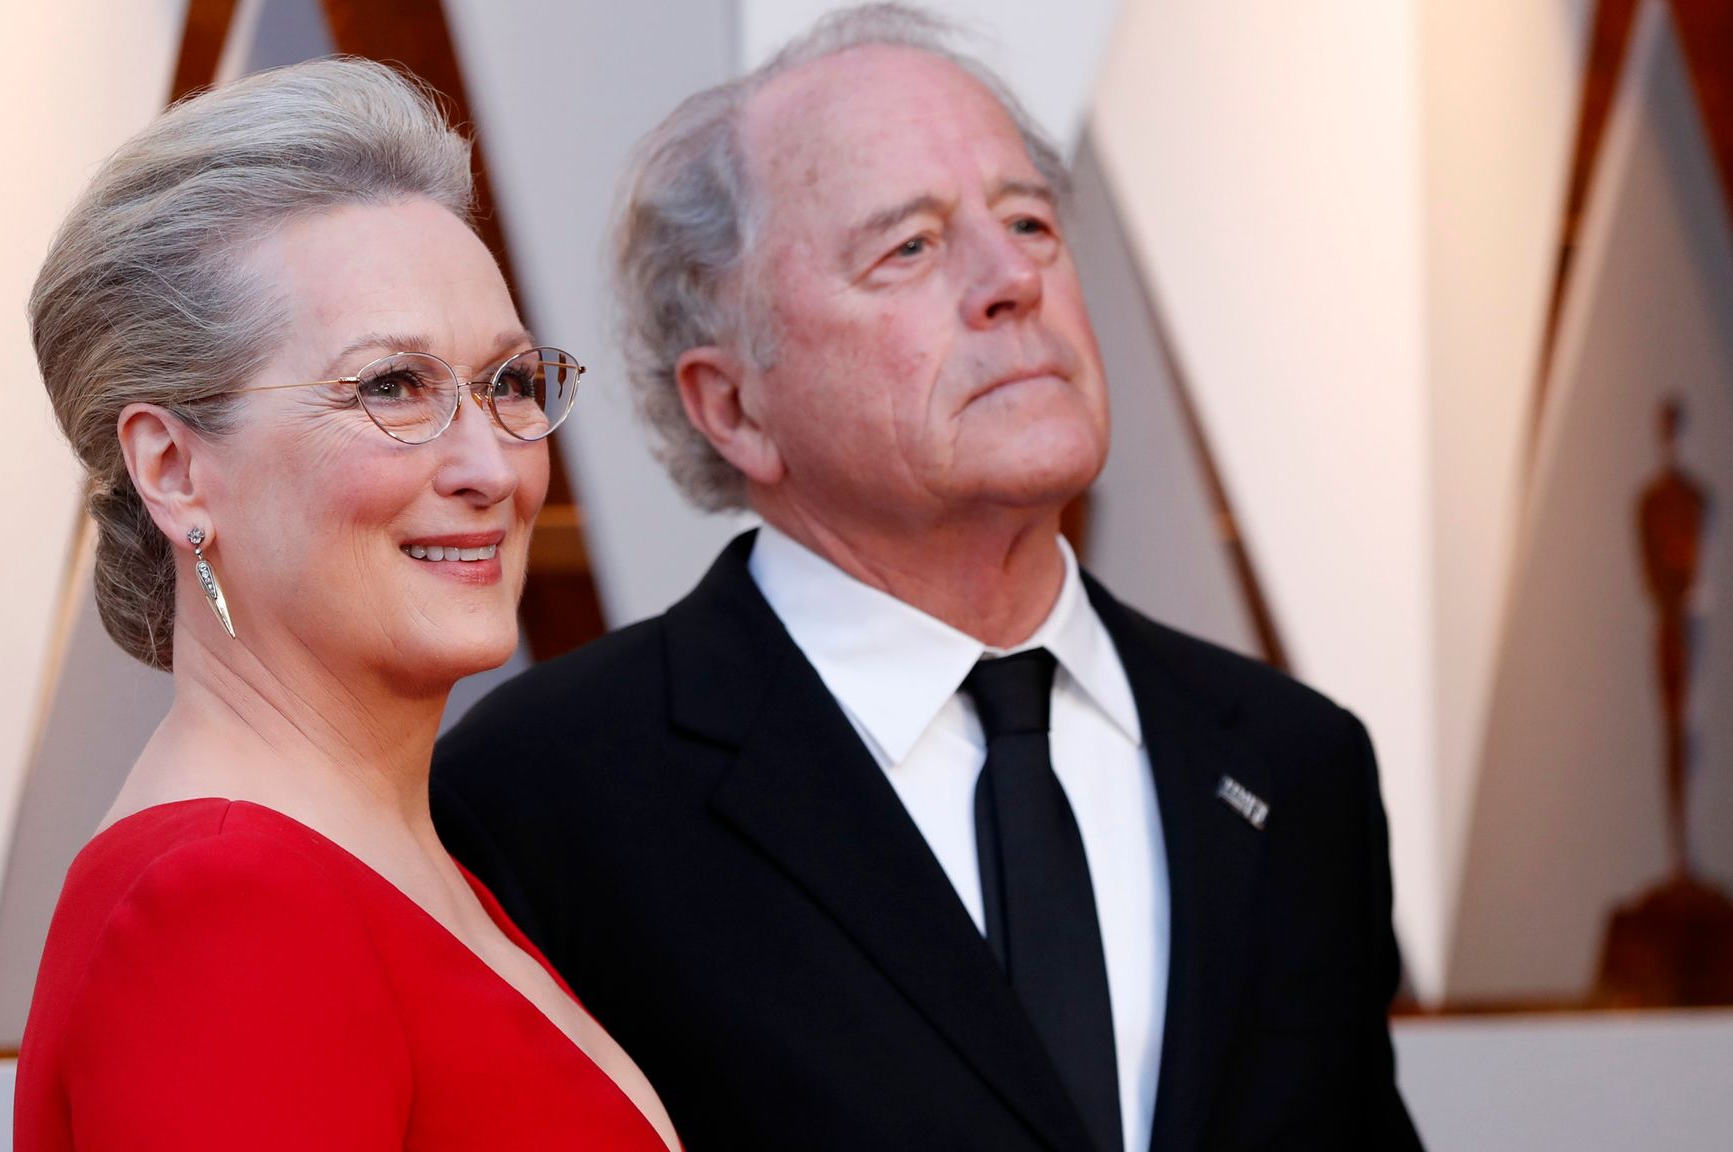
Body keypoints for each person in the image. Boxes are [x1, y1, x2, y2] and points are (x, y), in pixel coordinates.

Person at [433, 6, 1422, 1151]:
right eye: (907, 246)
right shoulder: (547, 798)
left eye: (1029, 221)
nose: (1011, 279)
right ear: (735, 405)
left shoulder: (1292, 766)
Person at [12, 58, 679, 1152]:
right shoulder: (225, 905)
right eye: (391, 387)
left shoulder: (395, 862)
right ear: (174, 471)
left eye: (508, 384)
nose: (491, 468)